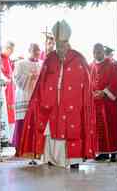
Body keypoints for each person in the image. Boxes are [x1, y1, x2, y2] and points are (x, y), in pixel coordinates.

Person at [17, 20, 97, 168]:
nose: (60, 49)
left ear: (68, 43)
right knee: (50, 130)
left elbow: (86, 85)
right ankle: (51, 158)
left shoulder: (79, 59)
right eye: (58, 45)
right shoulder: (50, 58)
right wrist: (41, 100)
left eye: (63, 45)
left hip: (73, 105)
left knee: (73, 129)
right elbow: (42, 82)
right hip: (51, 103)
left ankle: (74, 160)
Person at [90, 43, 117, 162]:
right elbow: (88, 81)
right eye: (95, 52)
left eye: (99, 52)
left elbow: (116, 81)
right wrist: (92, 92)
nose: (97, 54)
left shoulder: (112, 64)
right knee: (99, 129)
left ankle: (113, 152)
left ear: (103, 51)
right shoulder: (91, 65)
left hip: (108, 103)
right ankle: (102, 153)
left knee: (111, 127)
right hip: (96, 102)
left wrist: (105, 92)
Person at [12, 43, 42, 158]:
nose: (37, 53)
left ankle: (35, 149)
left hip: (37, 97)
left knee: (35, 123)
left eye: (38, 51)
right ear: (29, 50)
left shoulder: (42, 64)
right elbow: (17, 78)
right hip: (24, 95)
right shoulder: (20, 63)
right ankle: (19, 149)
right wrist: (30, 76)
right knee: (22, 123)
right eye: (35, 50)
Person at [0, 41, 16, 143]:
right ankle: (5, 137)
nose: (11, 52)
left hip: (10, 89)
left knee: (11, 113)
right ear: (7, 48)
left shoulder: (8, 59)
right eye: (11, 50)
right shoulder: (0, 58)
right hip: (4, 90)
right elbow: (2, 73)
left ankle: (9, 138)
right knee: (5, 113)